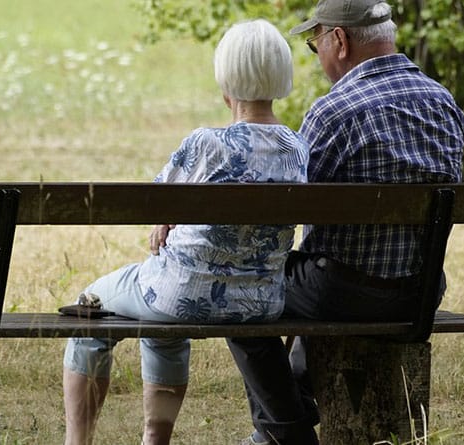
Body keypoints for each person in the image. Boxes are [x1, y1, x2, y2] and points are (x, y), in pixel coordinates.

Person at [225, 1, 464, 444]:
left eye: (315, 42)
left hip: (343, 293)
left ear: (339, 40)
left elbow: (286, 206)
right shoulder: (444, 102)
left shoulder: (334, 110)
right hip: (420, 294)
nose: (316, 56)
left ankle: (289, 432)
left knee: (241, 290)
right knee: (312, 275)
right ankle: (279, 427)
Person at [61, 19, 309, 445]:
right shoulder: (296, 148)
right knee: (161, 316)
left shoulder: (204, 144)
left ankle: (76, 442)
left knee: (92, 308)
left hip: (180, 295)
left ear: (226, 81)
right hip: (260, 302)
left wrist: (165, 221)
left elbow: (157, 204)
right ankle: (155, 439)